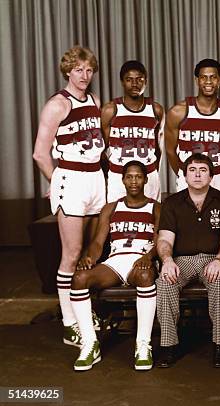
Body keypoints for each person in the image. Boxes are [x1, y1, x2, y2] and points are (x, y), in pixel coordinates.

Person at [32, 46, 105, 347]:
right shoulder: (57, 105)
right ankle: (69, 322)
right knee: (71, 254)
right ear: (67, 71)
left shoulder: (95, 101)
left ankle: (85, 313)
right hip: (72, 179)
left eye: (88, 70)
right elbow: (39, 153)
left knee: (89, 252)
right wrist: (57, 179)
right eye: (78, 70)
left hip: (95, 178)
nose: (84, 75)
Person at [70, 161, 161, 371]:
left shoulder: (155, 207)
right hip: (116, 260)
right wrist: (89, 258)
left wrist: (149, 256)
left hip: (141, 259)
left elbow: (160, 241)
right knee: (79, 279)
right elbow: (98, 242)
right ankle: (90, 344)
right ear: (123, 180)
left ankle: (142, 344)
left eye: (138, 176)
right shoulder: (111, 208)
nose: (134, 181)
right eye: (129, 176)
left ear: (146, 179)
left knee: (146, 277)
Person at [155, 153, 220, 368]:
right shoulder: (172, 203)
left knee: (219, 281)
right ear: (184, 175)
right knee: (165, 281)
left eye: (203, 170)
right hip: (183, 259)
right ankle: (169, 345)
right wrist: (167, 260)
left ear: (211, 176)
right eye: (192, 170)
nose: (198, 174)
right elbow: (164, 239)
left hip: (216, 257)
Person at [101, 60, 164, 202]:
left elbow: (158, 149)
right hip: (119, 176)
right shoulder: (110, 110)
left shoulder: (156, 110)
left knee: (152, 220)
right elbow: (102, 150)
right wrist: (112, 173)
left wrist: (152, 171)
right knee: (118, 220)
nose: (134, 84)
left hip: (148, 175)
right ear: (122, 82)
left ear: (146, 81)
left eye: (139, 79)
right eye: (129, 80)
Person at [165, 59, 220, 192]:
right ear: (197, 80)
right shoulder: (178, 111)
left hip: (217, 176)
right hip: (188, 175)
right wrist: (182, 173)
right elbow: (170, 150)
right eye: (203, 77)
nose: (208, 82)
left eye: (213, 77)